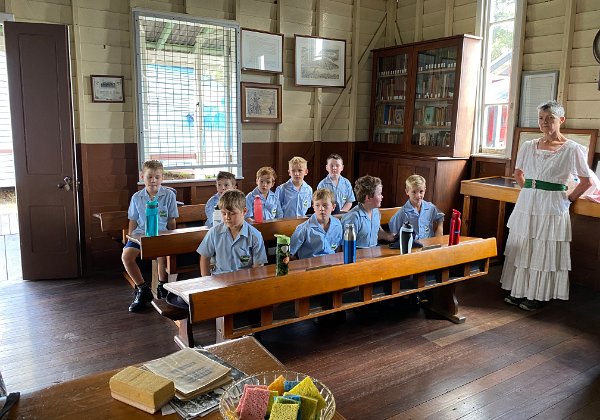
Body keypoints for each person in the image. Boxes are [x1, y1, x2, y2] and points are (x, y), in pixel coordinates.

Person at [500, 100, 591, 311]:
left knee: (544, 246)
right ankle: (518, 291)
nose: (544, 123)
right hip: (527, 202)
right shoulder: (528, 146)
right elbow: (518, 174)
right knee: (524, 246)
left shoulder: (572, 149)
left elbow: (586, 181)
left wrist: (567, 198)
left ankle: (538, 295)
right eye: (541, 118)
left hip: (552, 205)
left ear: (561, 120)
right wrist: (530, 192)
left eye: (550, 118)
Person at [123, 160, 178, 312]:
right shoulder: (137, 197)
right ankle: (142, 289)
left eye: (157, 177)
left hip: (162, 235)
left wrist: (173, 238)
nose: (153, 180)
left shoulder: (168, 195)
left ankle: (162, 286)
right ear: (143, 177)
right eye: (149, 177)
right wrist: (129, 237)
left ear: (162, 178)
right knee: (126, 256)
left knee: (162, 256)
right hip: (141, 235)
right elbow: (133, 220)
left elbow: (171, 220)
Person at [197, 189, 268, 276]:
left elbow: (258, 266)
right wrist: (206, 281)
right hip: (219, 280)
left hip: (243, 281)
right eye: (224, 213)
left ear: (244, 212)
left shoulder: (255, 235)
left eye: (232, 213)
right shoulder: (214, 232)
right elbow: (205, 257)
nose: (227, 217)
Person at [341, 175, 395, 248]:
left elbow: (378, 231)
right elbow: (345, 247)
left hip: (374, 252)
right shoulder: (353, 218)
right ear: (368, 197)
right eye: (379, 194)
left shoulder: (376, 212)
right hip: (358, 255)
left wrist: (388, 236)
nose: (382, 197)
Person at [290, 189, 343, 259]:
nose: (321, 209)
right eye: (317, 205)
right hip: (310, 265)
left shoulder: (338, 224)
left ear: (333, 207)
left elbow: (338, 248)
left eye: (325, 205)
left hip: (331, 263)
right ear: (313, 207)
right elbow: (290, 253)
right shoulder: (304, 228)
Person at [389, 174, 444, 239]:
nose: (418, 195)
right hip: (411, 246)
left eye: (421, 191)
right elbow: (393, 232)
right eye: (414, 192)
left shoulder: (430, 208)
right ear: (407, 191)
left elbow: (440, 217)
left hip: (428, 245)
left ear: (425, 190)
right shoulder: (402, 213)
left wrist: (439, 230)